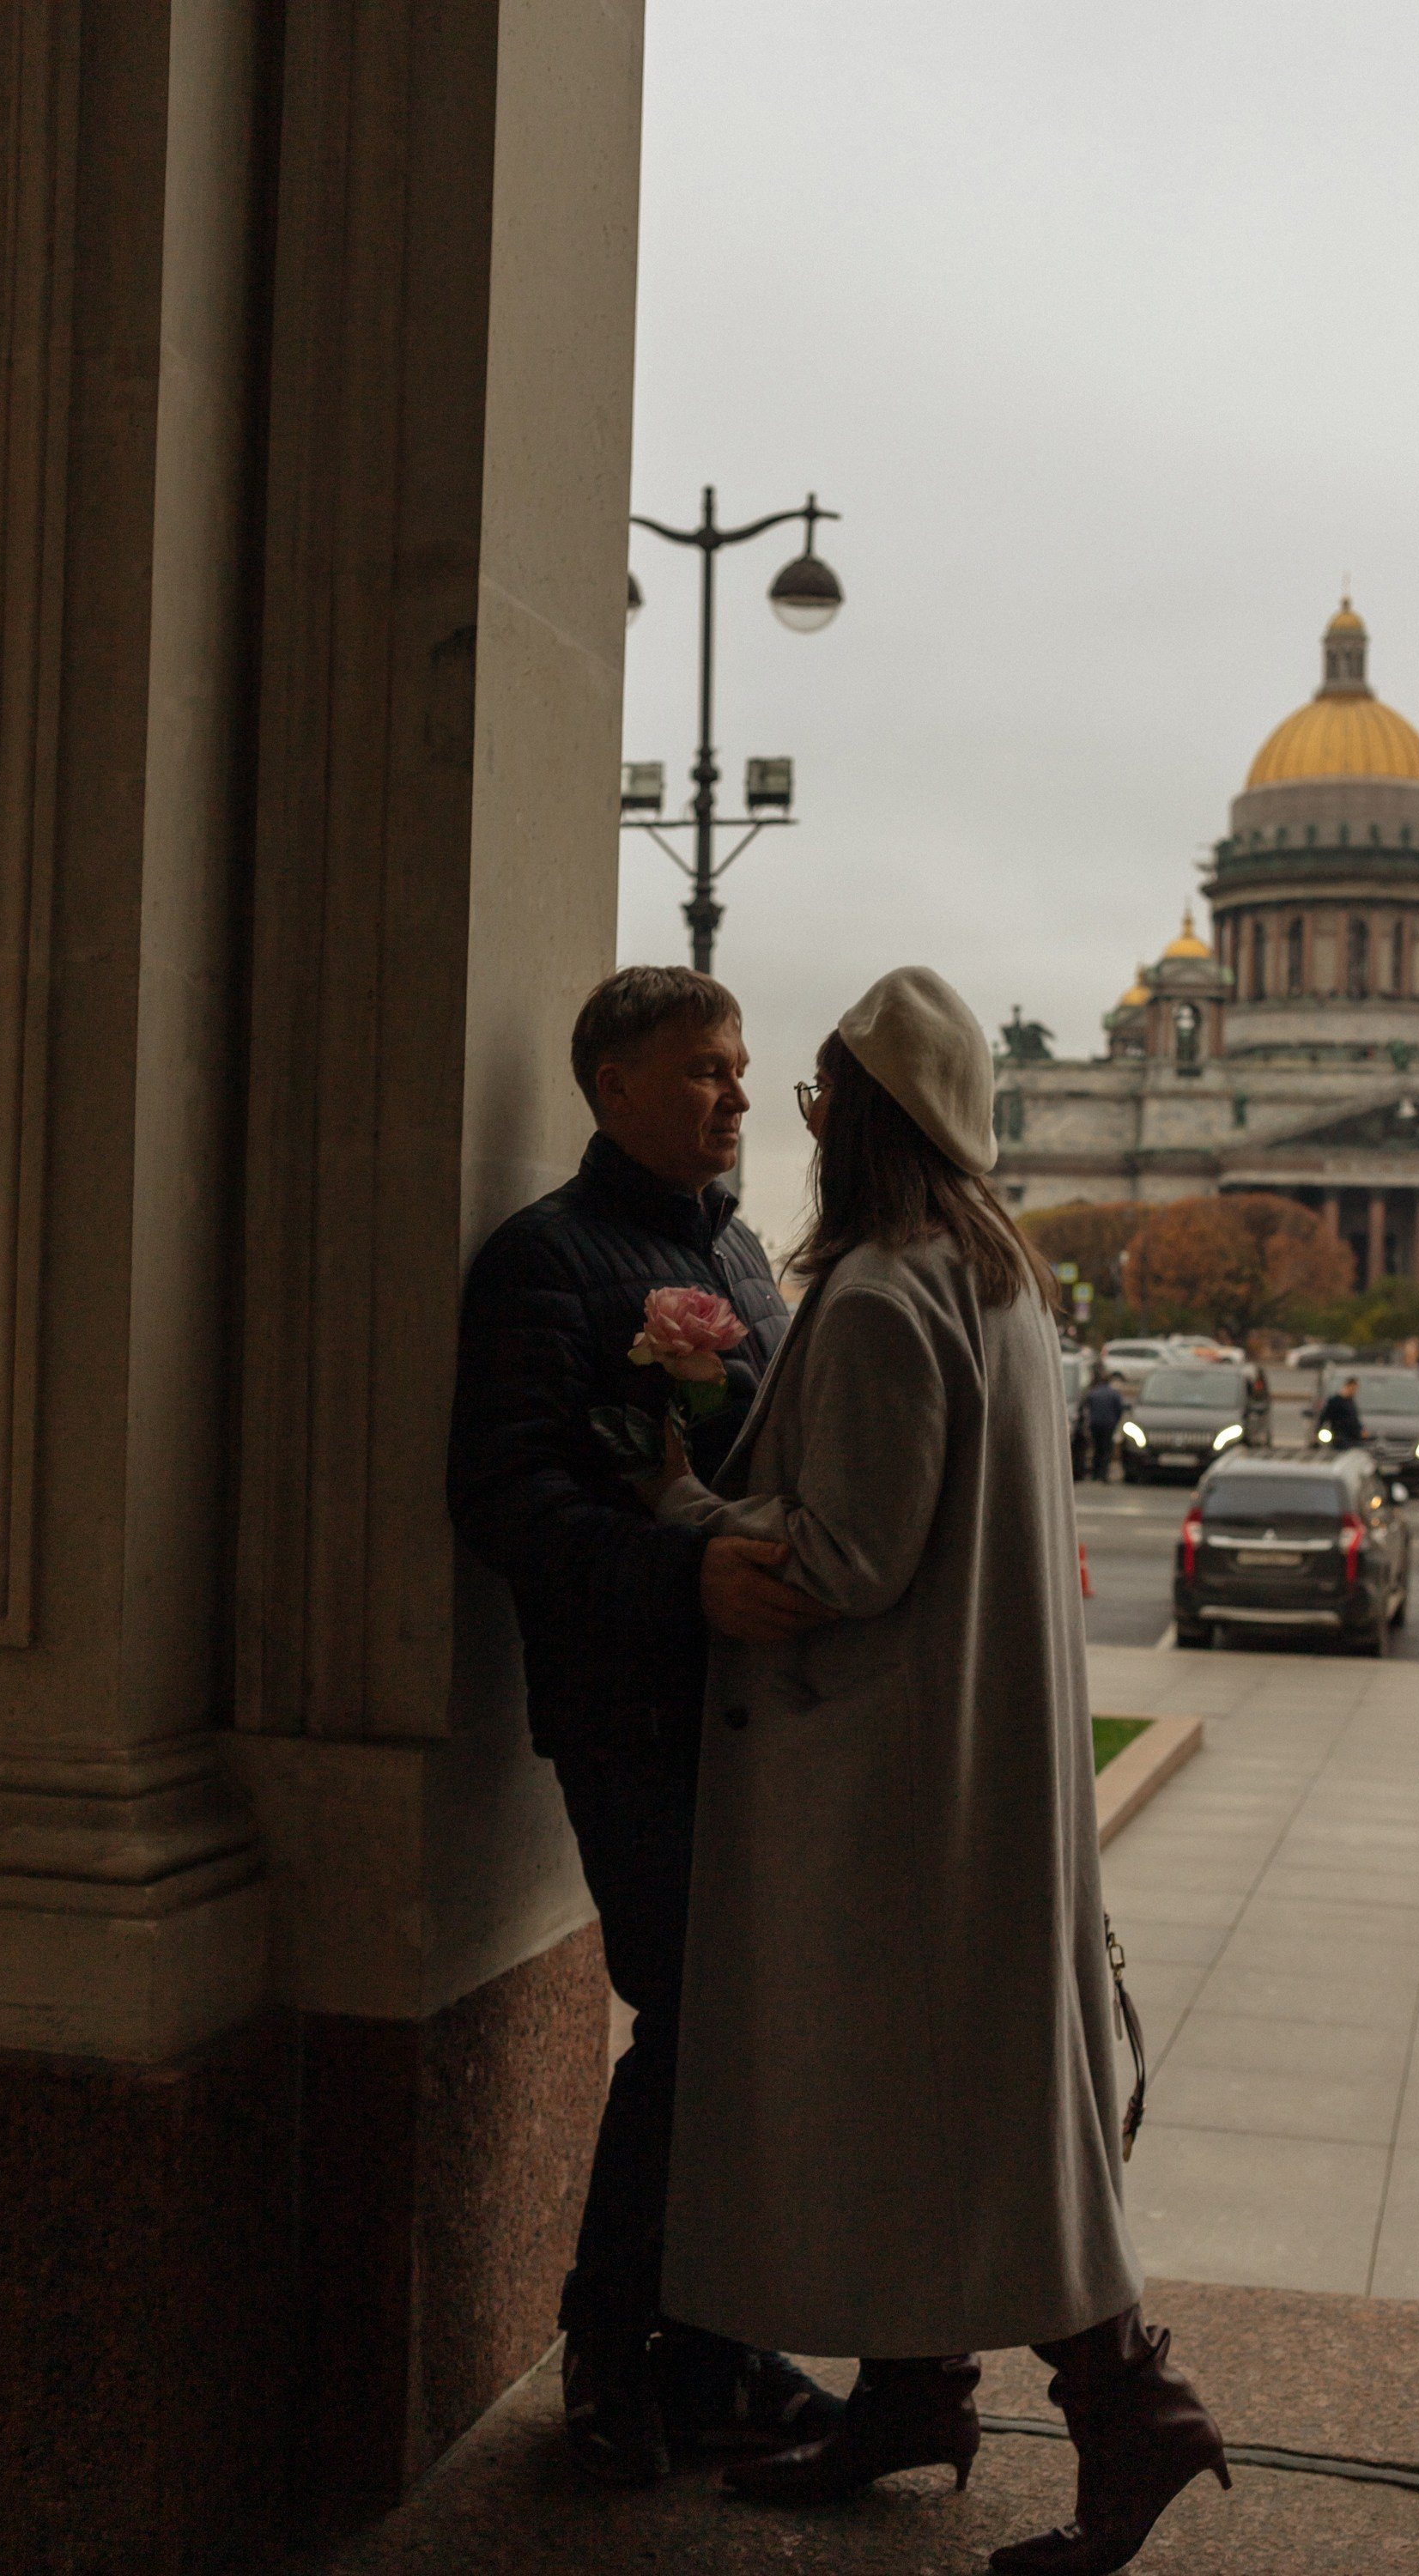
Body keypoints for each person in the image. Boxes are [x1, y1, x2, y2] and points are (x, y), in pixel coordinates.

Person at [640, 968, 1228, 2574]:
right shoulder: (1002, 1278)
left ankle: (1132, 2409)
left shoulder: (895, 1290)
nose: (808, 1122)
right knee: (953, 2101)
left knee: (960, 2107)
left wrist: (689, 1508)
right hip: (973, 1774)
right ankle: (913, 2394)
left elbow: (850, 1558)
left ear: (875, 1121)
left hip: (896, 1784)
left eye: (826, 1097)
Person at [447, 966, 843, 2486]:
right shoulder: (543, 1260)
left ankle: (709, 2351)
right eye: (704, 1073)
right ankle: (615, 2363)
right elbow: (506, 1503)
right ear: (609, 1085)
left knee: (737, 2033)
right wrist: (691, 1575)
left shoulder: (739, 1250)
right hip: (633, 1714)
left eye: (741, 1074)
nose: (739, 1101)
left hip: (758, 1714)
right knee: (694, 2025)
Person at [1082, 1366, 1126, 1482]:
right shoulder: (1114, 1394)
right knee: (1106, 1450)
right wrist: (1115, 1422)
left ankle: (1095, 1474)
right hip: (1108, 1425)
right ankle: (1103, 1474)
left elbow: (1086, 1408)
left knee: (1097, 1449)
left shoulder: (1093, 1393)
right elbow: (1119, 1410)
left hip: (1095, 1424)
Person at [1316, 1373, 1365, 1448]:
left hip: (1352, 1438)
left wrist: (1360, 1430)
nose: (1355, 1391)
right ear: (1348, 1386)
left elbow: (1354, 1419)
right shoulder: (1335, 1401)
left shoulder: (1350, 1401)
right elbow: (1324, 1417)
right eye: (1354, 1389)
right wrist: (1316, 1433)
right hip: (1340, 1438)